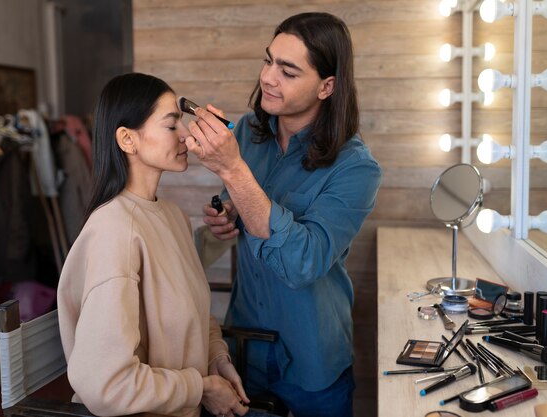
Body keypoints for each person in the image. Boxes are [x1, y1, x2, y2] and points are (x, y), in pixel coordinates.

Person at [184, 12, 382, 417]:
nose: (268, 78)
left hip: (313, 359)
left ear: (327, 86)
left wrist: (234, 170)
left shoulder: (356, 169)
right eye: (268, 60)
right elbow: (239, 209)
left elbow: (302, 262)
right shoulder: (246, 132)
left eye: (288, 71)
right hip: (242, 344)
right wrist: (228, 217)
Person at [56, 73, 251, 417]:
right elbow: (107, 384)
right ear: (127, 139)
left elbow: (196, 312)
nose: (187, 134)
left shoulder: (172, 216)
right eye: (171, 125)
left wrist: (216, 359)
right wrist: (201, 387)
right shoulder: (113, 232)